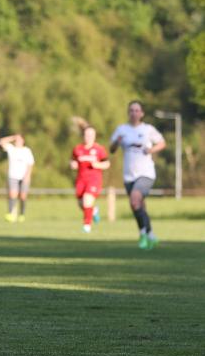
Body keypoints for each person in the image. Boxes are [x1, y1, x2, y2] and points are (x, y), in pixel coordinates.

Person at [110, 100, 166, 249]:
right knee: (138, 206)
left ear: (142, 113)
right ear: (128, 113)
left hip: (146, 173)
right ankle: (151, 234)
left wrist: (151, 150)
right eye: (131, 110)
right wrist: (117, 142)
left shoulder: (148, 129)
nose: (134, 113)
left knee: (134, 200)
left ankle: (142, 233)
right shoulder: (121, 129)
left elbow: (162, 143)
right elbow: (112, 149)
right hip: (129, 175)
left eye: (137, 110)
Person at [71, 126, 110, 233]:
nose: (88, 137)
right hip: (81, 179)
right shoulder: (77, 149)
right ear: (83, 136)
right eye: (86, 135)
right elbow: (73, 161)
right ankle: (94, 211)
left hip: (94, 179)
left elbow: (107, 163)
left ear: (94, 136)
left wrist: (97, 165)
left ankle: (86, 226)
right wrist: (73, 164)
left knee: (87, 199)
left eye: (91, 135)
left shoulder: (99, 149)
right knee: (81, 203)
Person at [0, 134, 35, 222]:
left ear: (23, 141)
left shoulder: (27, 151)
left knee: (23, 196)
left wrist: (27, 175)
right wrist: (13, 137)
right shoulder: (11, 148)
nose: (17, 141)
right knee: (12, 195)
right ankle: (11, 213)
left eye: (19, 139)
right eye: (16, 140)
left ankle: (21, 214)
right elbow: (0, 142)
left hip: (24, 176)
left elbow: (30, 164)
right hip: (13, 176)